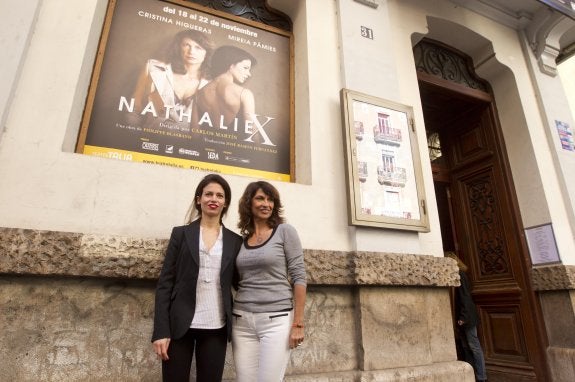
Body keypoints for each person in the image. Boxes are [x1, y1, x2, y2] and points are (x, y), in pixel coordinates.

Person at [151, 174, 243, 381]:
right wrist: (160, 331)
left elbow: (241, 283)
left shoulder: (235, 241)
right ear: (198, 199)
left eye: (219, 195)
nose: (214, 199)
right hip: (179, 326)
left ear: (225, 202)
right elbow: (165, 284)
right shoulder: (181, 234)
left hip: (216, 326)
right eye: (208, 194)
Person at [232, 181, 307, 382]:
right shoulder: (242, 241)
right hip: (241, 322)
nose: (266, 204)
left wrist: (298, 323)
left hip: (276, 321)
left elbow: (299, 276)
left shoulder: (285, 231)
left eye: (270, 199)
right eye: (260, 198)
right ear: (249, 203)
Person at [131, 30, 214, 128]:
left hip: (186, 142)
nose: (191, 51)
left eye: (198, 48)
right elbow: (134, 110)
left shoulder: (211, 84)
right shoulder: (154, 69)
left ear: (206, 53)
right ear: (178, 48)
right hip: (150, 137)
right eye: (186, 45)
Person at [193, 45, 257, 129]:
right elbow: (253, 135)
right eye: (245, 68)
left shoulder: (198, 95)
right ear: (230, 64)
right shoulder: (244, 94)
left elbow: (194, 134)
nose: (249, 74)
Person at [446, 252, 487, 382]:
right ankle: (472, 374)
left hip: (467, 317)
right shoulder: (456, 275)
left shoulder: (460, 275)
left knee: (474, 346)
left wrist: (463, 317)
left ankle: (481, 376)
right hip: (463, 317)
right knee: (466, 346)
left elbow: (465, 297)